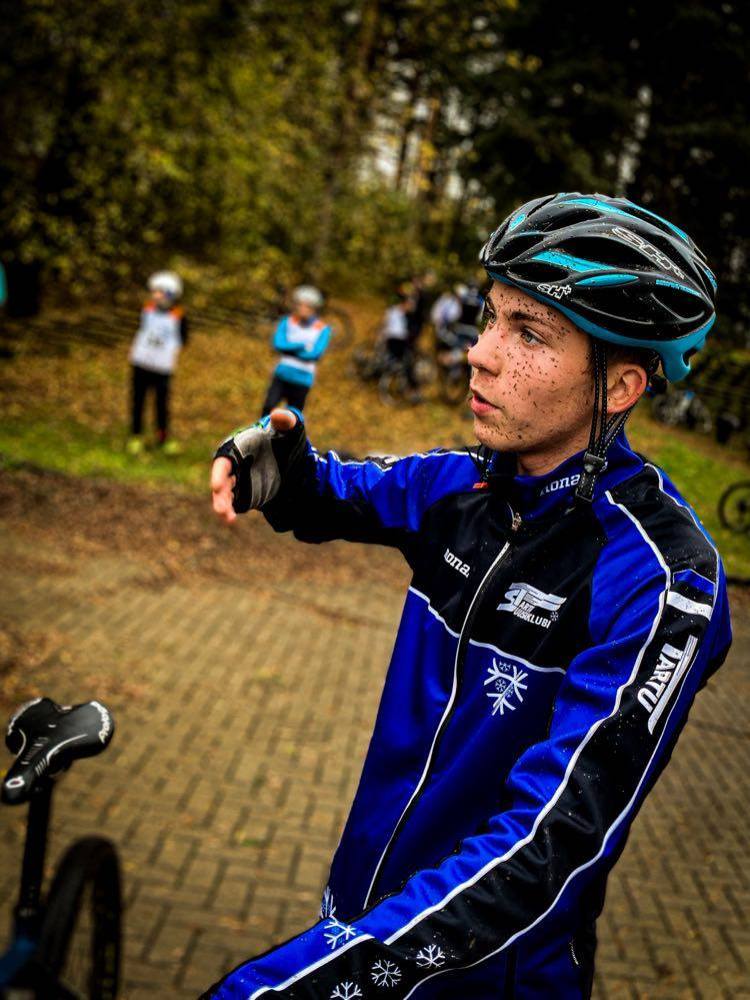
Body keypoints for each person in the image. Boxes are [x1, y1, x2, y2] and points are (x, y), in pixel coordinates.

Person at [206, 193, 731, 999]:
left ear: (620, 385)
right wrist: (277, 469)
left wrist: (325, 980)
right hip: (356, 921)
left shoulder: (661, 578)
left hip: (483, 979)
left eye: (529, 333)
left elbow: (550, 840)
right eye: (490, 318)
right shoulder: (463, 486)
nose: (479, 355)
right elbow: (337, 489)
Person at [127, 270, 187, 455]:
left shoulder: (178, 316)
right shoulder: (146, 310)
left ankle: (162, 438)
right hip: (141, 364)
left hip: (162, 368)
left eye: (160, 292)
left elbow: (183, 339)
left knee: (161, 405)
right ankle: (136, 435)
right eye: (154, 291)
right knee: (138, 401)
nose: (155, 295)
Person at [262, 286, 331, 415]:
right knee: (268, 407)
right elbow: (278, 344)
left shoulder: (322, 329)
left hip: (303, 379)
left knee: (293, 416)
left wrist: (289, 349)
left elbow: (315, 354)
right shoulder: (286, 322)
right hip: (281, 375)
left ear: (314, 308)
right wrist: (302, 346)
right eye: (300, 305)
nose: (303, 309)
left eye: (308, 306)